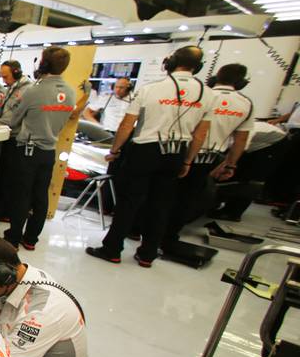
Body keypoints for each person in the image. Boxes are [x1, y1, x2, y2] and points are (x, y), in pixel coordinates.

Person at [87, 46, 213, 267]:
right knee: (161, 205)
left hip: (146, 150)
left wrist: (115, 150)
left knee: (129, 202)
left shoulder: (151, 89)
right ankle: (147, 254)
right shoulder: (207, 94)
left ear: (170, 64)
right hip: (177, 152)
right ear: (198, 66)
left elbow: (127, 125)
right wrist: (187, 160)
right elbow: (200, 134)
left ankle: (112, 249)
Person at [163, 63, 253, 245]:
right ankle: (169, 236)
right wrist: (230, 165)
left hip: (178, 150)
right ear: (241, 82)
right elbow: (241, 140)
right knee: (187, 198)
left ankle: (146, 232)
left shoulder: (202, 95)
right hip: (209, 157)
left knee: (163, 193)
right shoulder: (245, 104)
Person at [3, 47, 78, 250]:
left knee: (22, 195)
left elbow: (15, 120)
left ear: (43, 64)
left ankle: (13, 237)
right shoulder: (70, 92)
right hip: (49, 151)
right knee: (41, 196)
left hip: (28, 150)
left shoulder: (34, 91)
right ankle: (31, 239)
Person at [0, 60, 32, 220]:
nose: (4, 80)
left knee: (9, 178)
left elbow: (12, 119)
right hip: (7, 135)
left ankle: (4, 212)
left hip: (15, 138)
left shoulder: (26, 90)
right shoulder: (11, 88)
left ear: (16, 73)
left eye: (6, 76)